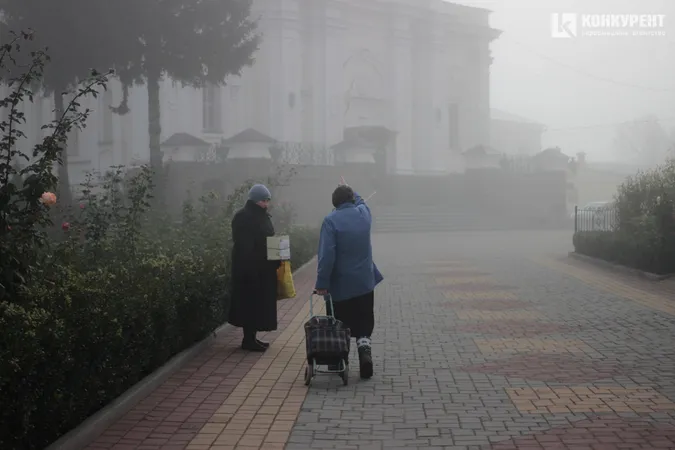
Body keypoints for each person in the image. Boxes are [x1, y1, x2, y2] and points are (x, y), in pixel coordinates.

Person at [314, 181, 383, 379]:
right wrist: (351, 187)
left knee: (339, 323)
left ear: (334, 203)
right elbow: (361, 201)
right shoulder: (364, 215)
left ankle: (338, 360)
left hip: (340, 286)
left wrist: (322, 283)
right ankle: (365, 353)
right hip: (364, 283)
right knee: (363, 321)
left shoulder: (330, 220)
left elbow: (327, 256)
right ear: (352, 199)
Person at [228, 184, 280, 352]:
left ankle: (252, 338)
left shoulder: (261, 216)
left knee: (258, 305)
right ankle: (248, 340)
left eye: (267, 200)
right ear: (256, 200)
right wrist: (257, 263)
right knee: (250, 304)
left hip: (262, 269)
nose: (267, 204)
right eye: (264, 200)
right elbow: (245, 246)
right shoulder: (244, 217)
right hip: (250, 270)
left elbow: (267, 238)